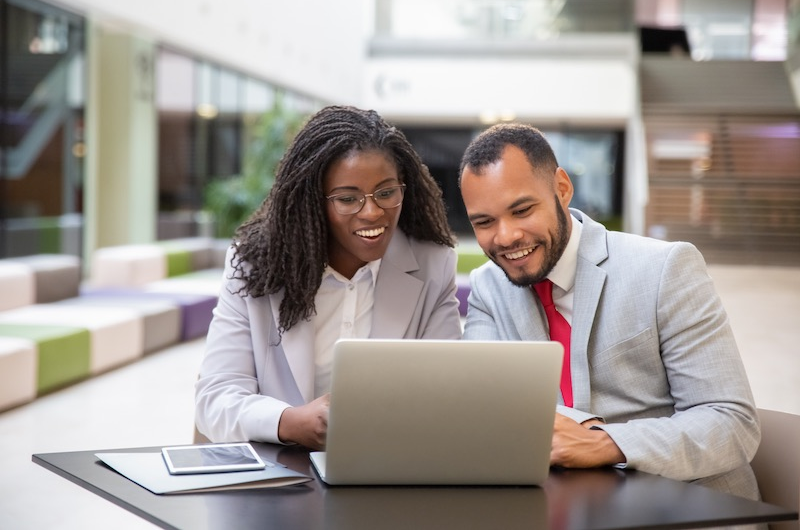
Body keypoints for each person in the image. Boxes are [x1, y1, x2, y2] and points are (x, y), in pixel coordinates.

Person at [458, 122, 761, 500]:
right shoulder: (489, 286)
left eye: (522, 210)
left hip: (688, 507)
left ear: (562, 189)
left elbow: (731, 423)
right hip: (567, 507)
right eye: (484, 222)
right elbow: (484, 415)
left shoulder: (665, 268)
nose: (505, 237)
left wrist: (605, 443)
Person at [196, 105, 462, 450]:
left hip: (387, 471)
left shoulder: (433, 266)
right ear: (312, 202)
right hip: (278, 478)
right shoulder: (255, 265)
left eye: (386, 192)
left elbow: (446, 396)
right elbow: (215, 398)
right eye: (348, 199)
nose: (372, 212)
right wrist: (290, 422)